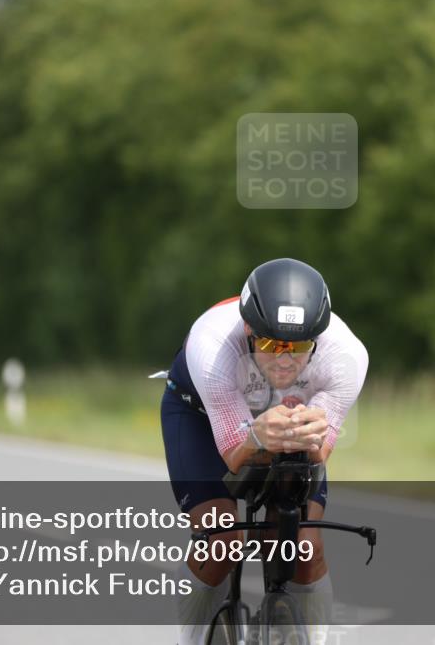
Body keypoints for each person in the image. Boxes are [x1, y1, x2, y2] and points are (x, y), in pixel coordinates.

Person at [160, 259, 368, 644]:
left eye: (299, 347)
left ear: (318, 340)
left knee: (304, 547)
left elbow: (319, 453)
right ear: (248, 330)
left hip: (287, 417)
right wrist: (256, 438)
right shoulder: (213, 346)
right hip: (200, 414)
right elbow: (233, 459)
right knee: (222, 539)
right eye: (272, 345)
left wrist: (303, 438)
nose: (285, 359)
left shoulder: (347, 357)